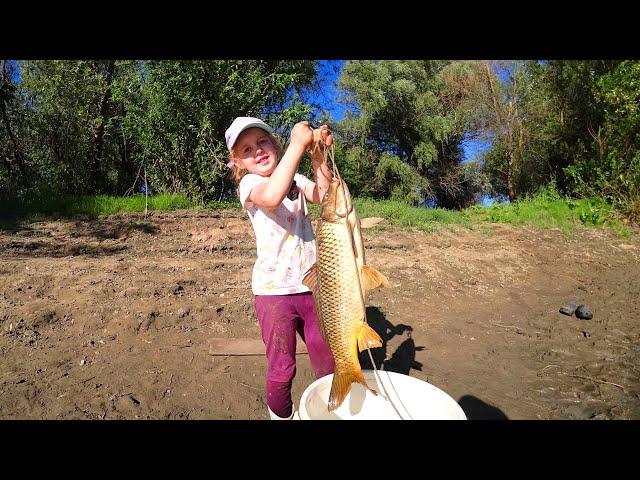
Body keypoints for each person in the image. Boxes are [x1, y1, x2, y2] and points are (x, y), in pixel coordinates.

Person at [225, 116, 335, 420]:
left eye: (262, 142)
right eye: (246, 150)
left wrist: (317, 158)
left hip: (313, 288)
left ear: (274, 145)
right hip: (274, 296)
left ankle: (328, 412)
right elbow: (273, 197)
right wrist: (298, 146)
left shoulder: (296, 180)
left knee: (327, 358)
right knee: (282, 367)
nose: (257, 151)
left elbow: (325, 197)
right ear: (238, 163)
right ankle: (282, 416)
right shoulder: (250, 184)